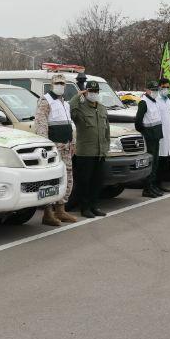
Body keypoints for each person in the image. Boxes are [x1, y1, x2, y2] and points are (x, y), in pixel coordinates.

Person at [34, 73, 78, 226]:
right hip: (53, 148)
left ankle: (61, 209)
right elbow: (41, 124)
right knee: (50, 179)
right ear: (52, 84)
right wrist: (46, 146)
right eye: (57, 83)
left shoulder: (64, 103)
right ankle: (48, 213)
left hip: (66, 146)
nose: (60, 86)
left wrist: (73, 142)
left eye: (62, 83)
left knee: (67, 177)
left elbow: (69, 124)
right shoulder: (46, 100)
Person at [69, 80, 110, 218]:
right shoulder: (80, 107)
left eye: (96, 92)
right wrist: (78, 95)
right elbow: (70, 109)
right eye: (91, 92)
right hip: (85, 152)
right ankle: (85, 208)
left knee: (97, 181)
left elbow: (107, 130)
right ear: (86, 93)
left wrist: (106, 147)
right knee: (84, 182)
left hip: (100, 152)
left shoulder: (103, 108)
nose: (94, 94)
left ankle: (94, 206)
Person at [134, 77, 170, 197]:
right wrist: (145, 132)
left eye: (155, 89)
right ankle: (147, 188)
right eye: (152, 89)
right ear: (146, 90)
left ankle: (152, 186)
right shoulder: (144, 102)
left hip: (157, 136)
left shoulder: (155, 101)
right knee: (151, 163)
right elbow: (138, 122)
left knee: (156, 163)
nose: (154, 91)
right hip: (150, 136)